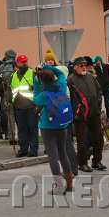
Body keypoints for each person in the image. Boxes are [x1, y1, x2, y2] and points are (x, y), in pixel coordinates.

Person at [34, 66, 74, 194]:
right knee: (63, 154)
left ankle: (59, 186)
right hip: (62, 126)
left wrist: (36, 82)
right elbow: (61, 73)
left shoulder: (44, 95)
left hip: (48, 127)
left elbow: (35, 99)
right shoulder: (61, 86)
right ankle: (69, 185)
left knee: (53, 156)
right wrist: (47, 67)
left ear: (42, 81)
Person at [68, 56, 106, 172]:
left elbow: (99, 90)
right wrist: (76, 110)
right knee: (82, 140)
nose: (84, 67)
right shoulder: (71, 79)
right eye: (81, 65)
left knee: (99, 138)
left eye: (85, 65)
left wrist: (99, 102)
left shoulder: (90, 77)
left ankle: (97, 161)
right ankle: (82, 163)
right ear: (75, 67)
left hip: (94, 112)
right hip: (80, 114)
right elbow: (70, 97)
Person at [11, 54, 38, 157]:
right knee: (22, 129)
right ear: (17, 63)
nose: (24, 63)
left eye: (25, 61)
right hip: (18, 106)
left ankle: (33, 150)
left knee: (32, 128)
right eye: (22, 62)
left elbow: (39, 88)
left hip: (31, 106)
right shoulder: (13, 75)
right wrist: (9, 101)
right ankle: (23, 149)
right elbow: (12, 89)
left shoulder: (32, 74)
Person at [0, 49, 18, 143]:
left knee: (10, 115)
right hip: (17, 91)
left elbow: (1, 78)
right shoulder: (17, 65)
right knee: (19, 115)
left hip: (7, 91)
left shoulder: (2, 66)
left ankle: (12, 137)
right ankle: (19, 136)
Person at [93, 56, 109, 121]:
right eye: (97, 61)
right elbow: (95, 77)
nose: (98, 62)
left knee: (106, 103)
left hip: (107, 87)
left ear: (101, 61)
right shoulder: (95, 68)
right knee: (99, 102)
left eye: (99, 61)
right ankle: (99, 117)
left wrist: (107, 81)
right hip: (100, 88)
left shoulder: (106, 66)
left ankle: (108, 117)